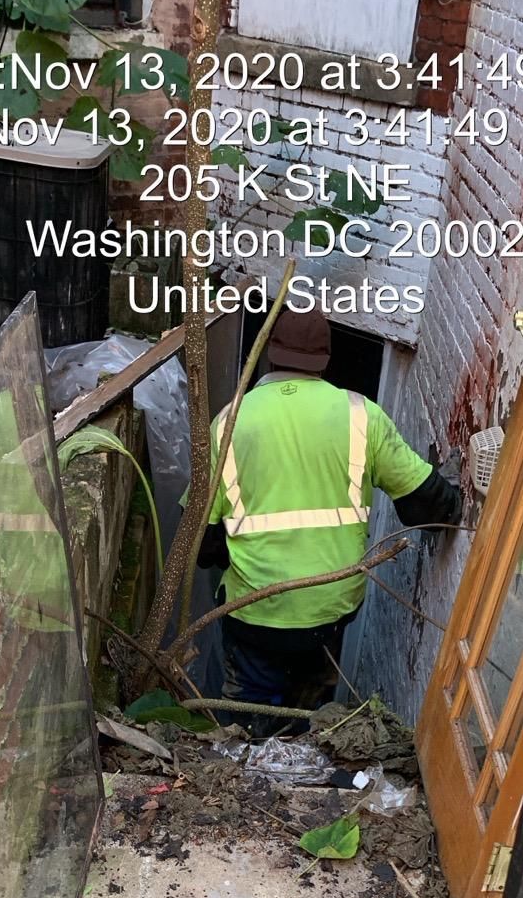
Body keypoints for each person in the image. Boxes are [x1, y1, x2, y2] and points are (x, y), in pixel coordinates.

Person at [197, 305, 462, 723]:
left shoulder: (228, 423)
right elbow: (425, 504)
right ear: (326, 358)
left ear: (269, 353)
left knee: (249, 719)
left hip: (255, 612)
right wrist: (457, 492)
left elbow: (203, 543)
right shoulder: (362, 416)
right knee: (311, 715)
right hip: (330, 611)